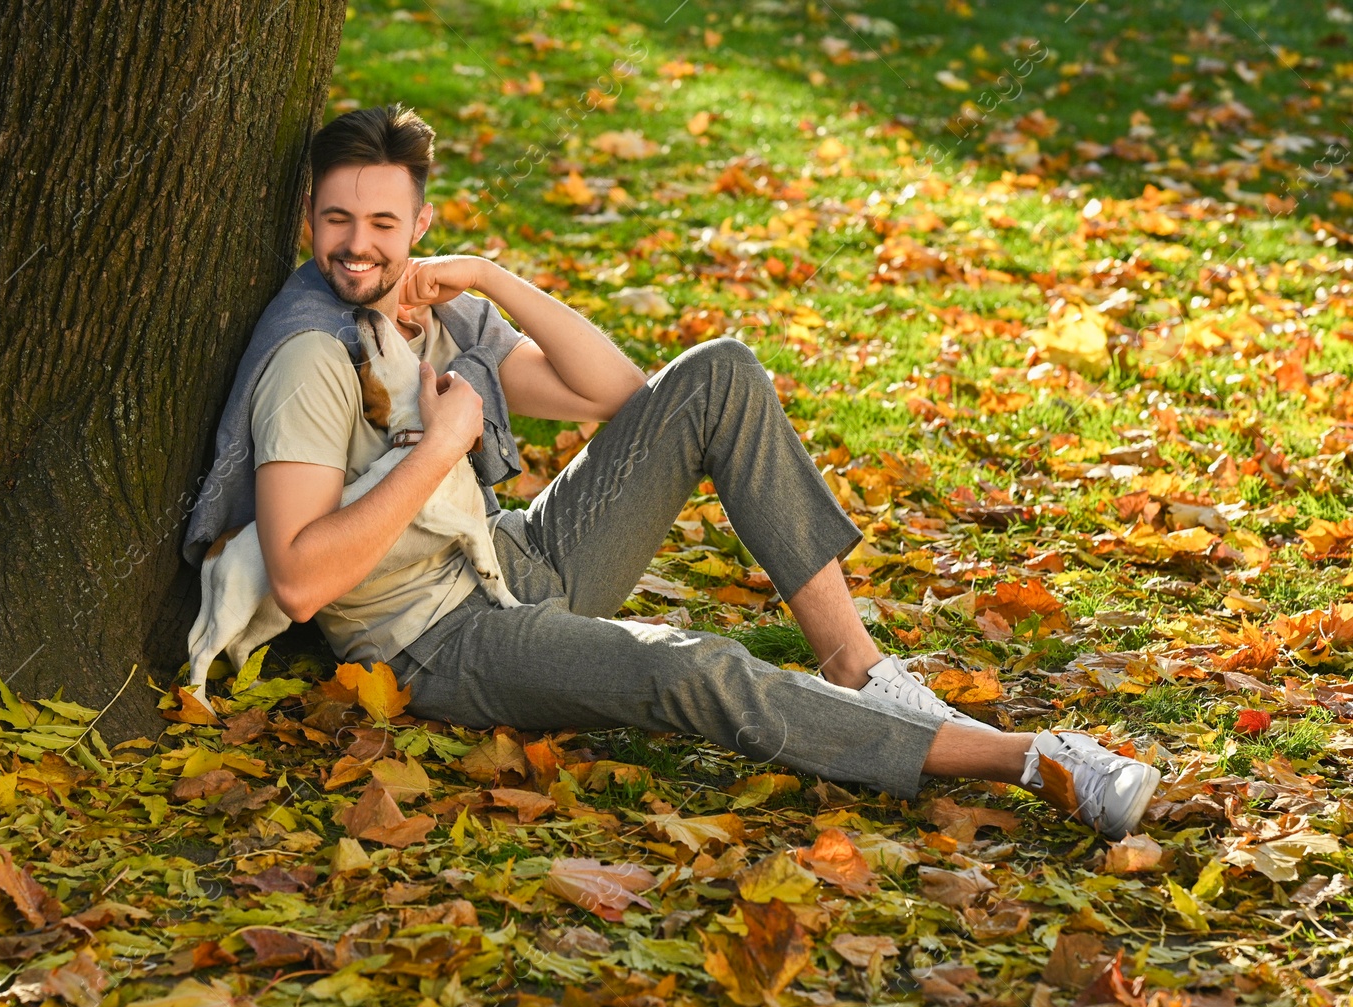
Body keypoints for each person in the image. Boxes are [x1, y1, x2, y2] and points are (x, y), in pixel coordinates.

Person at [211, 103, 1162, 841]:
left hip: (512, 560)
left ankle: (860, 667)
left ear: (421, 220)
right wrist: (441, 445)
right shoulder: (310, 356)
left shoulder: (433, 308)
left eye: (383, 219)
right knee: (694, 668)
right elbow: (300, 580)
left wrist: (494, 278)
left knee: (718, 375)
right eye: (337, 218)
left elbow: (619, 395)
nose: (358, 244)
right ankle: (1036, 761)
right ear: (308, 216)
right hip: (434, 640)